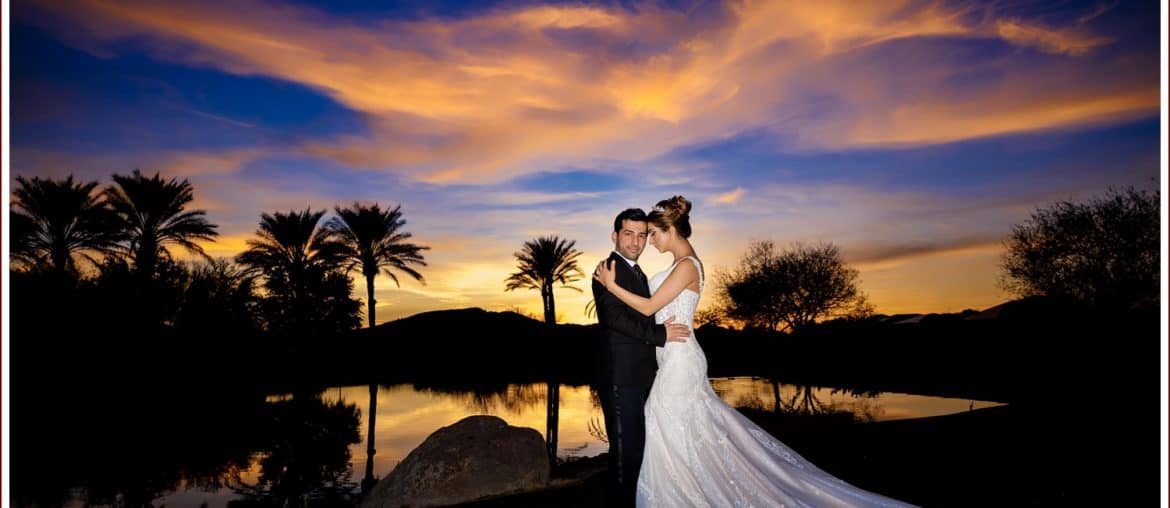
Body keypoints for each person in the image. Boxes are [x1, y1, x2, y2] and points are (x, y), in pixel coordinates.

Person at [594, 196, 915, 507]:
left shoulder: (687, 266)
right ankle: (687, 488)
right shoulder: (678, 264)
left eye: (651, 234)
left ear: (670, 230)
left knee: (671, 425)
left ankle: (684, 493)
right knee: (676, 427)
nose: (649, 241)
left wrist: (612, 286)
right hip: (668, 358)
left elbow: (650, 306)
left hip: (678, 357)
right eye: (640, 235)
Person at [592, 207, 691, 507]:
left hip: (643, 376)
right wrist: (661, 335)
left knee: (640, 452)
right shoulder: (607, 269)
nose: (635, 242)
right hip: (621, 378)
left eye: (642, 235)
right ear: (615, 236)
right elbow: (615, 318)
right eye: (628, 234)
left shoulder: (637, 272)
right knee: (626, 455)